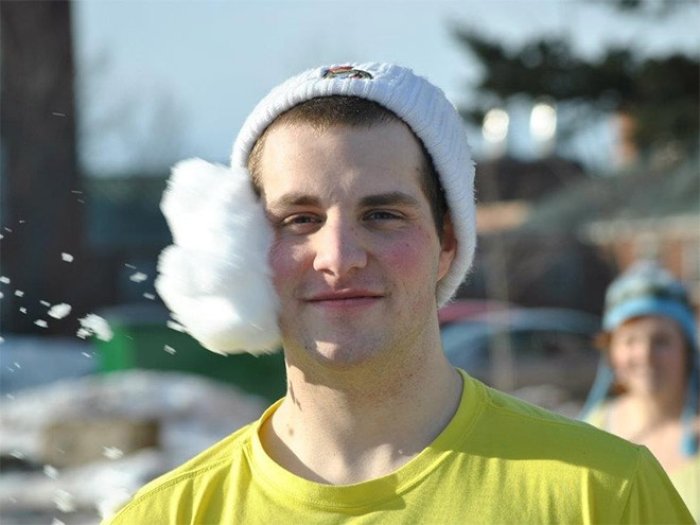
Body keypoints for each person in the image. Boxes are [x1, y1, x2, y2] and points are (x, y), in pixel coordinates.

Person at [104, 63, 692, 524]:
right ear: (244, 248)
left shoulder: (604, 493)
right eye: (300, 220)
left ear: (448, 243)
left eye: (382, 215)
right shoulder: (166, 516)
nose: (339, 257)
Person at [580, 260, 700, 521]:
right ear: (611, 351)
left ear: (687, 349)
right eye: (630, 340)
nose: (645, 355)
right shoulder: (591, 431)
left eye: (661, 341)